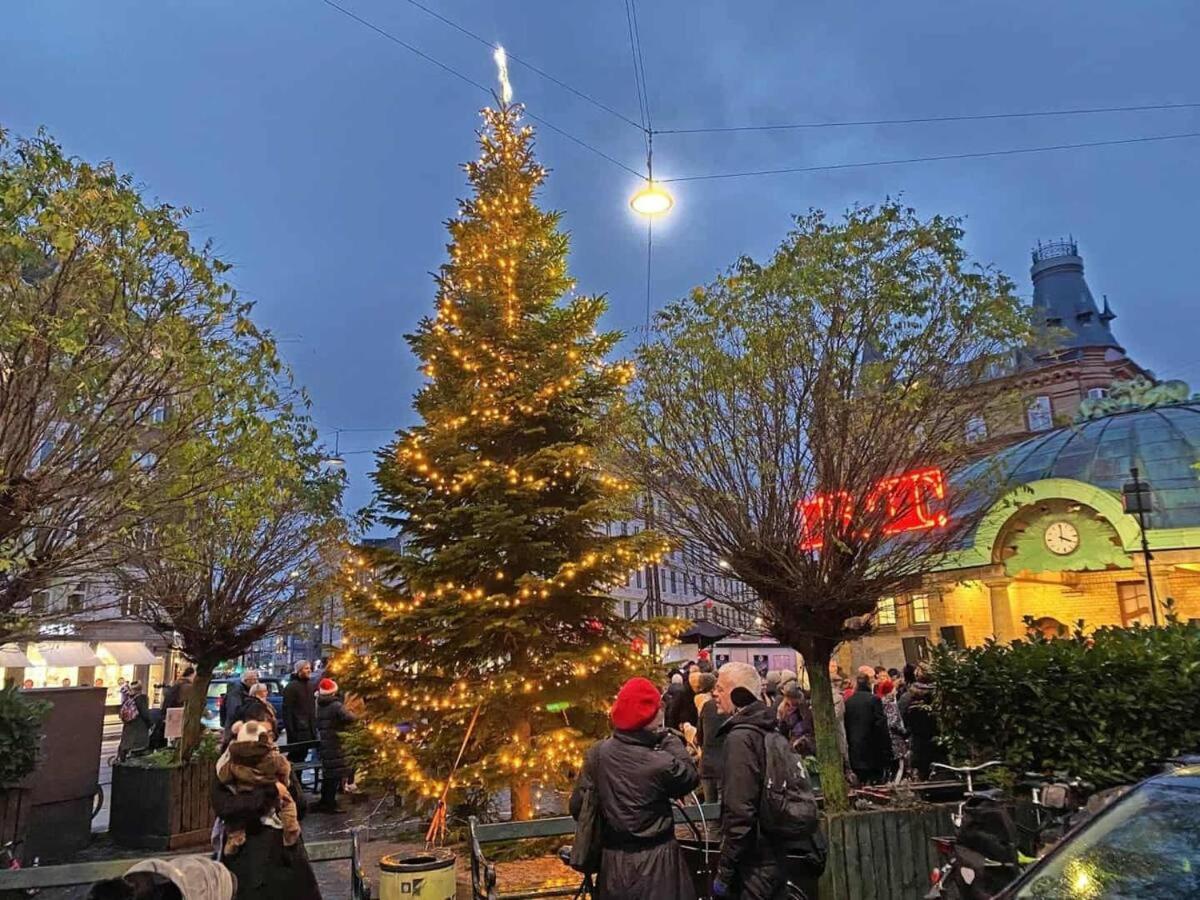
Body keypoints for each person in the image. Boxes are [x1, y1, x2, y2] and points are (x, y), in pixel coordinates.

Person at [569, 676, 699, 900]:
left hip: (614, 865)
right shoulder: (660, 762)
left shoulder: (597, 754)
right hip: (660, 864)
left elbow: (577, 807)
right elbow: (689, 777)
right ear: (651, 716)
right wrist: (669, 740)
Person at [712, 661, 808, 900]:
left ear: (738, 693)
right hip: (773, 853)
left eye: (720, 688)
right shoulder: (766, 727)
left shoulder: (740, 738)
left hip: (752, 863)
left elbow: (740, 811)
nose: (714, 693)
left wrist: (725, 871)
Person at [211, 759, 320, 900]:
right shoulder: (225, 771)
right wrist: (271, 791)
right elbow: (227, 809)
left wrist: (287, 786)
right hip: (251, 863)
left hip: (288, 859)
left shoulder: (278, 763)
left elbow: (301, 807)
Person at [215, 720, 300, 857]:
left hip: (278, 848)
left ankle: (236, 836)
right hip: (252, 849)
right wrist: (272, 790)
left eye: (270, 734)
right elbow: (227, 808)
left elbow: (300, 802)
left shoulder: (230, 765)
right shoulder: (229, 767)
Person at [314, 678, 357, 813]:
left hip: (326, 742)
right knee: (335, 775)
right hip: (336, 742)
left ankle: (325, 801)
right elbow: (350, 718)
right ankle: (331, 804)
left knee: (329, 774)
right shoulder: (336, 705)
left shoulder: (319, 703)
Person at [843, 674, 893, 785]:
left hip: (854, 748)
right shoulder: (874, 700)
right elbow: (881, 724)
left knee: (861, 781)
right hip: (872, 748)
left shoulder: (849, 702)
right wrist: (887, 748)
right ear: (869, 684)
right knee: (875, 782)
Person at [900, 663, 939, 780]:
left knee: (922, 775)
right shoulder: (940, 694)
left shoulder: (907, 697)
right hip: (939, 740)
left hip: (918, 742)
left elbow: (902, 717)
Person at [282, 660, 318, 764]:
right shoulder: (291, 687)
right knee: (296, 758)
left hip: (308, 729)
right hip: (297, 731)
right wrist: (291, 731)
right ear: (299, 670)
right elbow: (287, 712)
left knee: (302, 756)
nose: (309, 670)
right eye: (306, 668)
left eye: (309, 668)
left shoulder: (310, 686)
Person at [151, 666, 195, 749]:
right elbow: (192, 703)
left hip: (170, 715)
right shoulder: (187, 686)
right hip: (179, 717)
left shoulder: (177, 684)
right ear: (192, 675)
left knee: (170, 739)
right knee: (178, 742)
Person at [118, 680, 154, 761]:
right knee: (138, 749)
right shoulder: (142, 698)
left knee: (127, 745)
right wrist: (150, 724)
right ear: (140, 688)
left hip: (128, 727)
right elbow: (145, 714)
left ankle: (122, 759)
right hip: (139, 727)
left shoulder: (128, 698)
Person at [777, 681, 814, 756]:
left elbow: (808, 723)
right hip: (793, 744)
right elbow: (782, 730)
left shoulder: (803, 706)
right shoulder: (782, 709)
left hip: (806, 739)